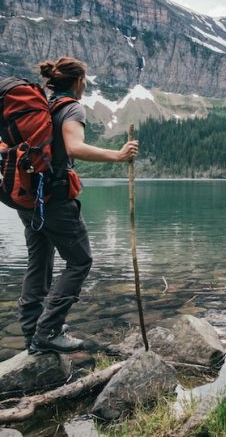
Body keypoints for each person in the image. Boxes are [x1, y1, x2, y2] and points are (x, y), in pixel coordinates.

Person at [17, 57, 139, 354]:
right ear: (78, 81)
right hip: (55, 201)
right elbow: (74, 147)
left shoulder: (41, 106)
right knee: (80, 261)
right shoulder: (71, 107)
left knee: (39, 262)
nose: (86, 84)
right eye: (85, 80)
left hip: (28, 198)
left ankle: (33, 330)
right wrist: (118, 156)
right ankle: (48, 331)